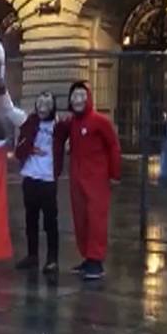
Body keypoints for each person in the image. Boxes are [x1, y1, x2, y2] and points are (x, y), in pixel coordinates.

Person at [0, 82, 67, 279]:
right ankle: (32, 255)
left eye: (47, 104)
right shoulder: (29, 121)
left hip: (48, 180)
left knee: (50, 221)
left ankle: (52, 259)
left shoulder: (60, 126)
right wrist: (3, 92)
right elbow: (9, 109)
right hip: (30, 177)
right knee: (31, 219)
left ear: (53, 106)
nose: (42, 107)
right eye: (40, 103)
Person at [62, 80, 121, 280]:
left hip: (96, 179)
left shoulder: (100, 121)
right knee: (81, 218)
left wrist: (114, 174)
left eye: (81, 96)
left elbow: (113, 146)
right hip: (77, 178)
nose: (77, 100)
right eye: (74, 96)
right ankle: (88, 257)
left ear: (88, 98)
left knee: (96, 219)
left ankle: (96, 260)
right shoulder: (72, 123)